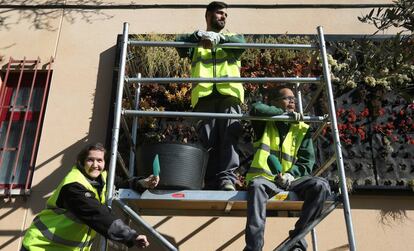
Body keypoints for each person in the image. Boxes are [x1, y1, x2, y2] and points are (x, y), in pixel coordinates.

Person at [21, 143, 158, 251]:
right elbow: (97, 214)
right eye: (90, 160)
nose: (95, 165)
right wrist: (131, 236)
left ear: (104, 164)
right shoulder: (74, 186)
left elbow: (122, 183)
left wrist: (143, 183)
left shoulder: (103, 177)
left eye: (99, 160)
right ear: (82, 162)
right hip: (40, 246)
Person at [244, 87, 331, 251]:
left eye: (293, 98)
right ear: (275, 102)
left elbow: (307, 162)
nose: (292, 101)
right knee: (256, 187)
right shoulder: (264, 123)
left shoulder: (302, 127)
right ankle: (253, 248)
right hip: (267, 180)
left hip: (293, 181)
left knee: (321, 185)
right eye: (287, 98)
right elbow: (256, 107)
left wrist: (292, 174)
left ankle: (296, 241)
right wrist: (282, 114)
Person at [176, 1, 245, 191]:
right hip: (205, 96)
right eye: (220, 13)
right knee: (206, 139)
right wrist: (198, 35)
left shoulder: (232, 38)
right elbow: (179, 45)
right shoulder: (197, 41)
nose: (223, 17)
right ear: (208, 15)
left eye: (225, 15)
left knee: (229, 136)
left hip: (229, 95)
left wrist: (219, 39)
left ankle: (227, 180)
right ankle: (208, 180)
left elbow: (242, 44)